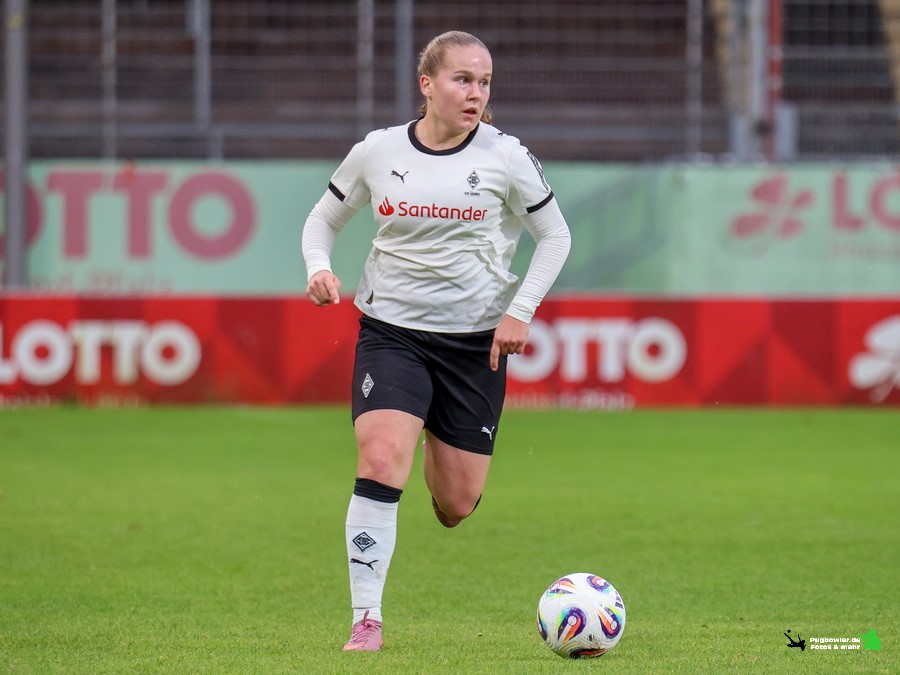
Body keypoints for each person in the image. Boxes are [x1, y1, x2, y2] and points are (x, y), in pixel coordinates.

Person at [301, 30, 571, 652]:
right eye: (463, 79)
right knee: (379, 459)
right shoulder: (378, 150)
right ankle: (366, 619)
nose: (476, 93)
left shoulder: (507, 157)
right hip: (391, 332)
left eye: (485, 82)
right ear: (427, 84)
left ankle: (430, 435)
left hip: (473, 345)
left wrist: (520, 311)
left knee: (456, 503)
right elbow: (324, 218)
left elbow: (556, 237)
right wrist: (318, 266)